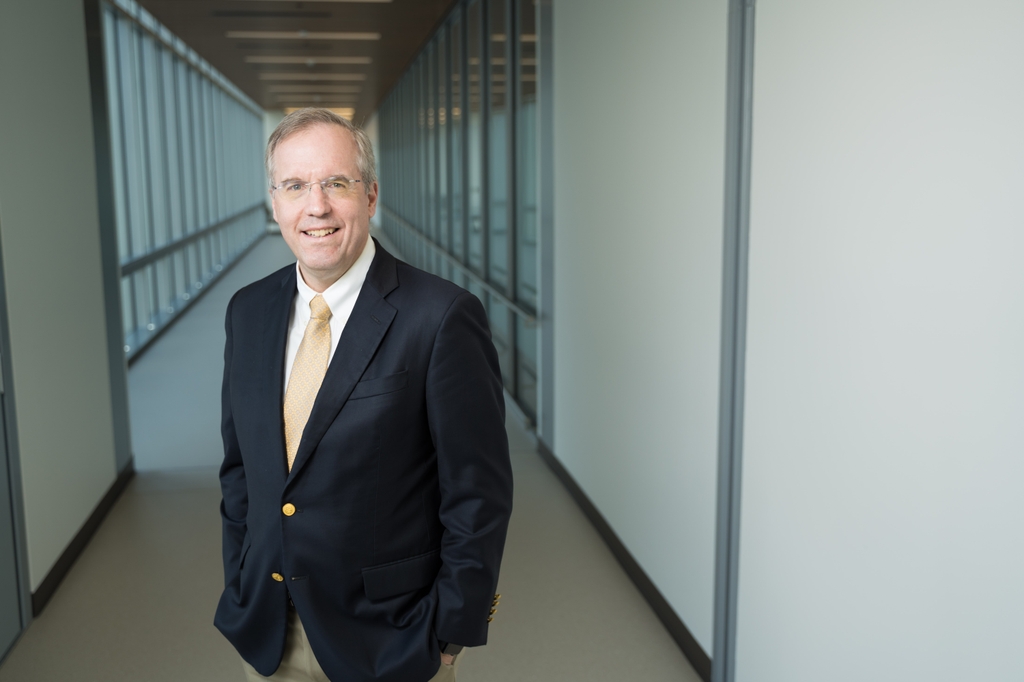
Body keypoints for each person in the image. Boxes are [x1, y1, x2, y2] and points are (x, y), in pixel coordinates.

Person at [214, 107, 514, 682]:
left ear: (370, 196)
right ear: (273, 201)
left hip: (391, 642)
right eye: (295, 186)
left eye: (337, 183)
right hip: (269, 632)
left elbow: (478, 494)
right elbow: (240, 472)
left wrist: (451, 632)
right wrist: (241, 580)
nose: (316, 206)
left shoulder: (441, 317)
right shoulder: (247, 312)